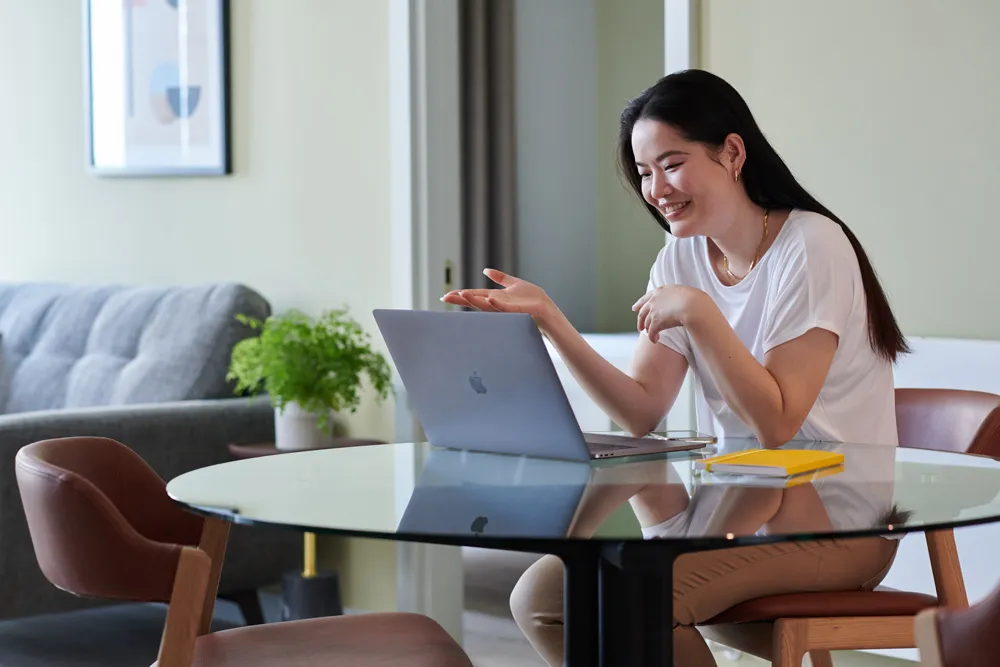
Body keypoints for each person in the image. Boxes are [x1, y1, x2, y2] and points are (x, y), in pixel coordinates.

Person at [442, 69, 908, 667]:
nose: (656, 188)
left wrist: (700, 312)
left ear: (732, 152)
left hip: (835, 525)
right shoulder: (680, 256)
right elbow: (640, 408)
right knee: (542, 598)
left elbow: (779, 426)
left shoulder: (813, 246)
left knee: (636, 599)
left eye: (672, 163)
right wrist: (552, 322)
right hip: (733, 507)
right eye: (643, 173)